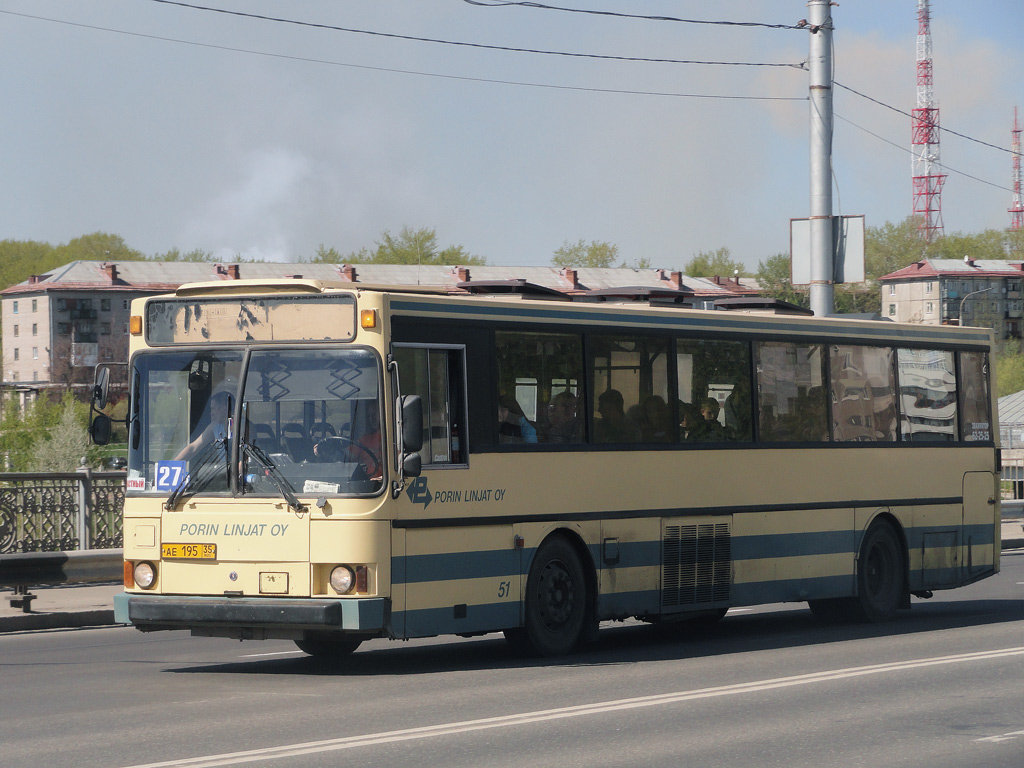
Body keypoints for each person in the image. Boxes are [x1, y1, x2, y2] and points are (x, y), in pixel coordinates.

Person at [175, 391, 231, 461]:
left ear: (224, 409)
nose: (211, 414)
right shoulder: (214, 427)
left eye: (213, 409)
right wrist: (172, 464)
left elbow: (244, 459)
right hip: (223, 470)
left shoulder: (242, 427)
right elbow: (193, 448)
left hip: (236, 471)